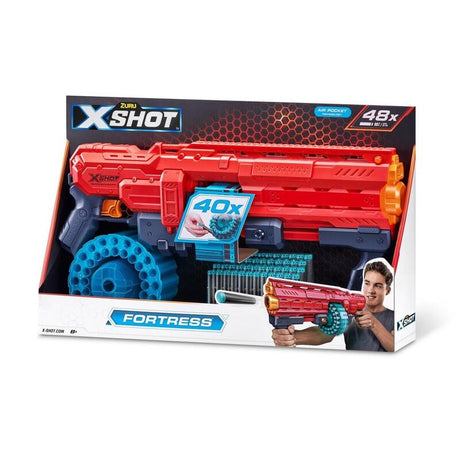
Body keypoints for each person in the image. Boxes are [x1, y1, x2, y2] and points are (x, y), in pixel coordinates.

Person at [272, 260, 395, 352]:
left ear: (388, 290)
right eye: (367, 283)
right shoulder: (353, 313)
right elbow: (324, 335)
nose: (370, 290)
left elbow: (395, 347)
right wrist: (291, 338)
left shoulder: (394, 316)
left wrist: (374, 324)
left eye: (377, 286)